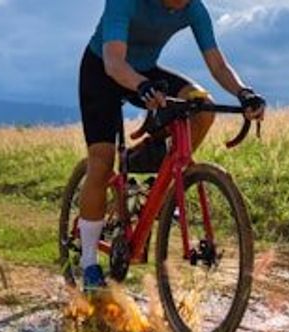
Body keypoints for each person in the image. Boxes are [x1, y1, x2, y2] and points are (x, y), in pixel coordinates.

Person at [77, 0, 266, 291]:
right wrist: (140, 86)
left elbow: (216, 63)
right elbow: (114, 63)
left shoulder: (194, 8)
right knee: (101, 164)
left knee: (204, 107)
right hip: (102, 72)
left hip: (146, 71)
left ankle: (160, 186)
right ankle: (88, 263)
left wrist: (244, 93)